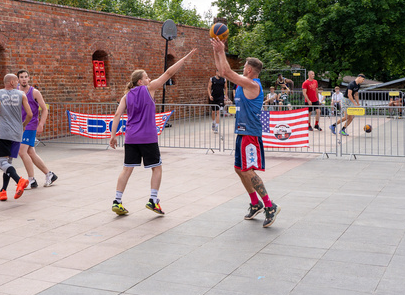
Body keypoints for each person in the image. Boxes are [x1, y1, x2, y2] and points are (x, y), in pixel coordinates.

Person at [108, 49, 197, 216]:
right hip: (147, 138)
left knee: (127, 169)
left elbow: (117, 115)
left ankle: (117, 201)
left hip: (131, 138)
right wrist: (185, 58)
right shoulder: (149, 88)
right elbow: (169, 72)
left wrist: (113, 136)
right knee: (157, 168)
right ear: (141, 81)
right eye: (147, 76)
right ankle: (153, 200)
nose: (149, 78)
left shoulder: (126, 96)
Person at [211, 38, 280, 228]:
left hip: (251, 133)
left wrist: (222, 50)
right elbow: (222, 71)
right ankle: (255, 203)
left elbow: (226, 71)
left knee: (248, 170)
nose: (242, 70)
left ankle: (269, 205)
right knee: (238, 168)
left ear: (249, 70)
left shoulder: (253, 85)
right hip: (242, 131)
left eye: (244, 68)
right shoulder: (243, 83)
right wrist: (217, 52)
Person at [0, 74, 32, 201]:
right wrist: (23, 125)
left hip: (3, 132)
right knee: (8, 163)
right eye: (17, 81)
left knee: (2, 163)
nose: (18, 83)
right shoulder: (21, 95)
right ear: (11, 82)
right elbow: (30, 114)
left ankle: (19, 180)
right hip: (17, 133)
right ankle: (3, 191)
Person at [16, 69, 58, 189]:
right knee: (31, 152)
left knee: (22, 152)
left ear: (29, 78)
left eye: (25, 77)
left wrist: (41, 124)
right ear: (18, 79)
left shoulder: (34, 92)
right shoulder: (16, 92)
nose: (24, 79)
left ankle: (31, 180)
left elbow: (44, 109)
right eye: (21, 77)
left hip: (31, 125)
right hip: (21, 125)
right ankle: (49, 174)